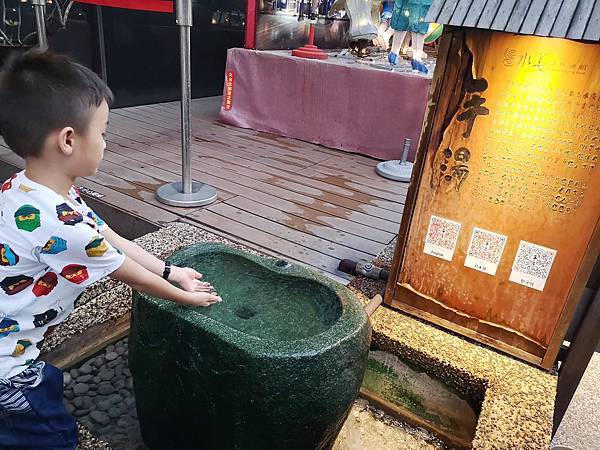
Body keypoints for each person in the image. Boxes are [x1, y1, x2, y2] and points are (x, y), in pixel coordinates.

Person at [0, 50, 221, 449]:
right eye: (102, 132)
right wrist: (183, 297)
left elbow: (110, 237)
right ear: (68, 140)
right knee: (51, 436)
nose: (105, 142)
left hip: (12, 342)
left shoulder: (30, 188)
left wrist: (171, 270)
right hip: (6, 370)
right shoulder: (58, 227)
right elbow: (126, 272)